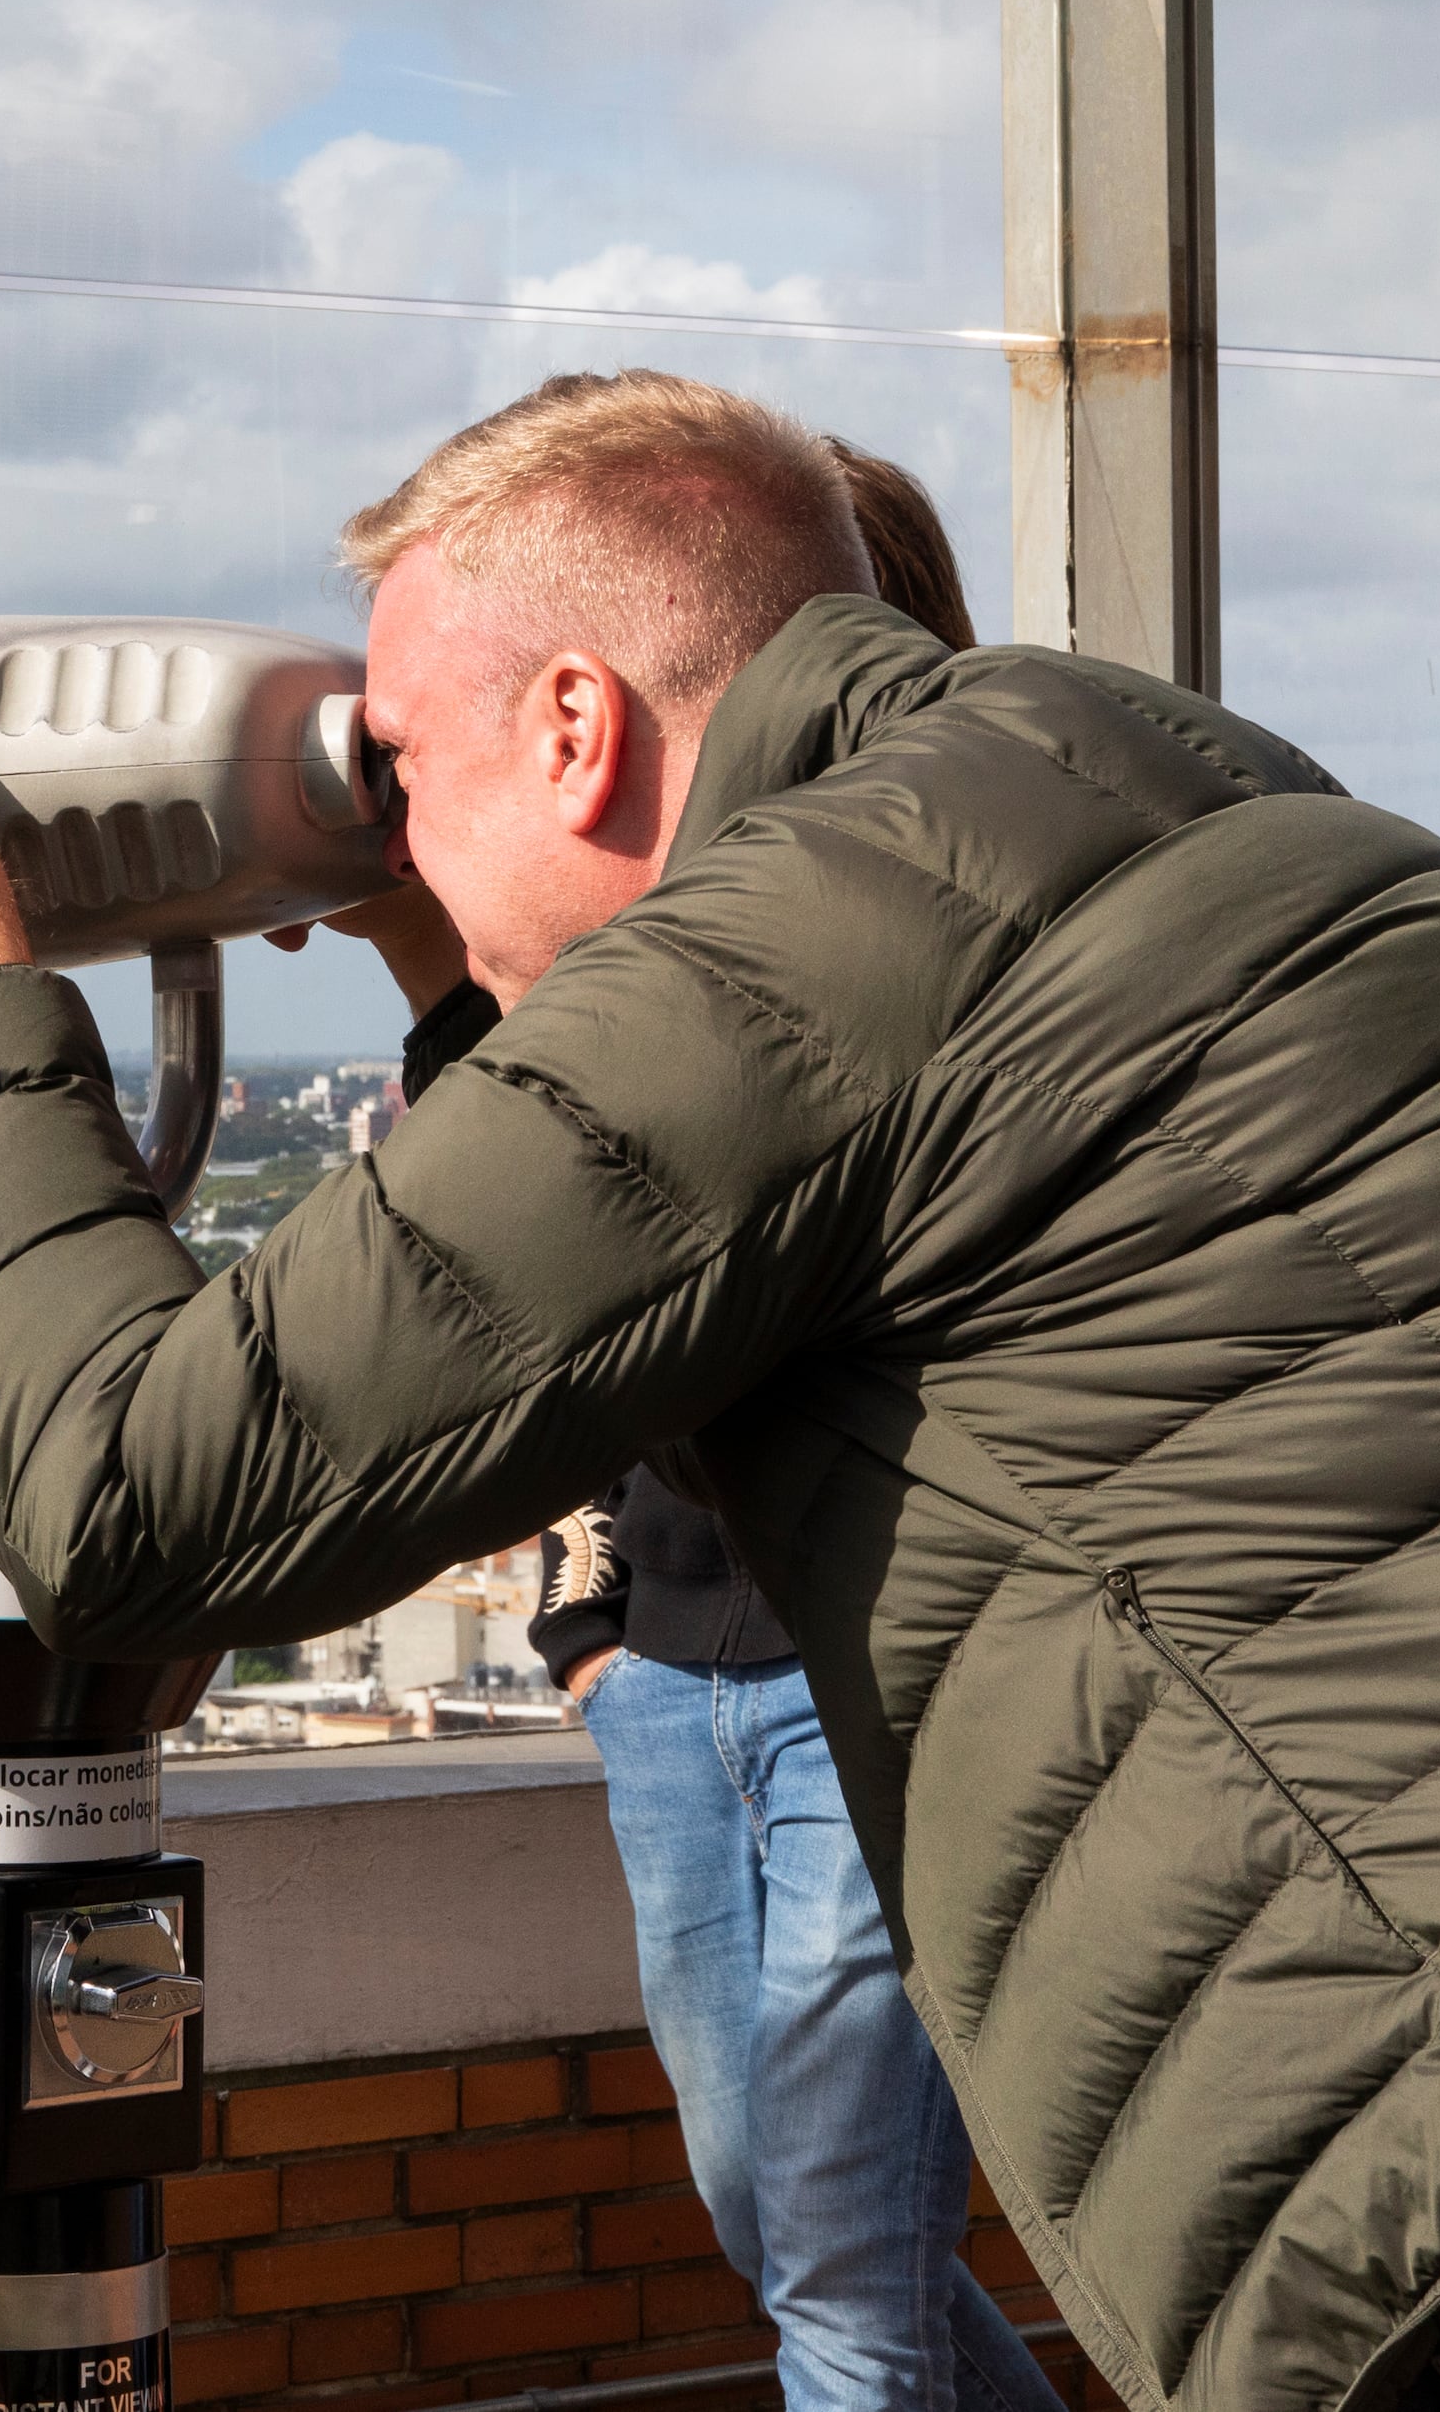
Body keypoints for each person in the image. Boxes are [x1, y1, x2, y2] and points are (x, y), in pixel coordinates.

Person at [0, 370, 1440, 2412]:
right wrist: (453, 958)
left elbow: (130, 1492)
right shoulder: (1143, 806)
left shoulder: (815, 938)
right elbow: (692, 1335)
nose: (377, 826)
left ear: (576, 726)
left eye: (396, 767)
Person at [334, 442, 1047, 2412]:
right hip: (669, 1667)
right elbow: (535, 1243)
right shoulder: (623, 966)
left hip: (857, 1685)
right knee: (786, 2227)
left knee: (840, 2267)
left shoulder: (870, 964)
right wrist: (587, 1630)